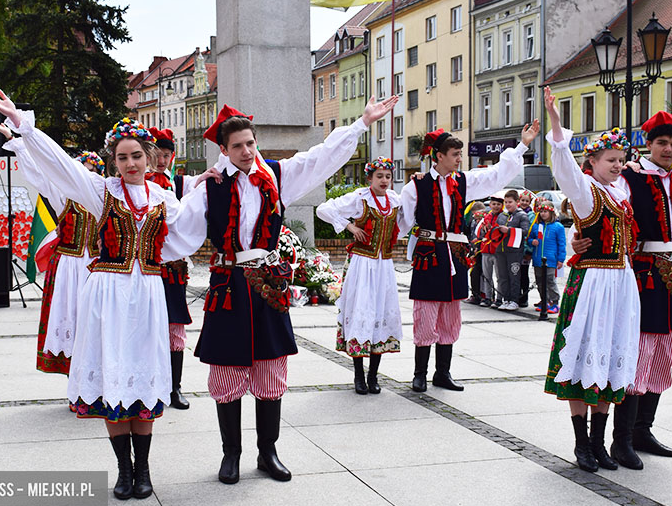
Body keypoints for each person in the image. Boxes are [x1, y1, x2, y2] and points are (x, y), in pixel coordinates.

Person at [0, 87, 210, 501]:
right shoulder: (98, 191)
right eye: (122, 157)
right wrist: (22, 124)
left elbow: (188, 233)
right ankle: (123, 470)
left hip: (146, 295)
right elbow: (57, 164)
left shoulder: (163, 197)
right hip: (106, 295)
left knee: (142, 376)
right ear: (114, 160)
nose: (129, 163)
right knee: (111, 375)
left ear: (149, 157)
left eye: (136, 156)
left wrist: (210, 186)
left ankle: (143, 468)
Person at [195, 96, 398, 485]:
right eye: (236, 146)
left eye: (250, 143)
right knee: (226, 371)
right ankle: (231, 454)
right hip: (229, 284)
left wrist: (361, 124)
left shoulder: (276, 174)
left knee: (271, 369)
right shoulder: (211, 185)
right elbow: (174, 219)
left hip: (268, 286)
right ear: (223, 149)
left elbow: (321, 157)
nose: (245, 151)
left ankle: (267, 452)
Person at [572, 110, 672, 469]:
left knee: (665, 354)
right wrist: (579, 238)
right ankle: (620, 439)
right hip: (642, 274)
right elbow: (596, 206)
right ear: (649, 144)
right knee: (638, 353)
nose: (669, 149)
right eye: (662, 143)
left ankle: (643, 429)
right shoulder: (629, 176)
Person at [400, 121, 540, 393]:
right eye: (455, 155)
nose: (459, 159)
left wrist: (522, 144)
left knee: (451, 314)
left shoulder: (463, 181)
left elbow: (497, 175)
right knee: (426, 313)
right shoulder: (415, 187)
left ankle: (443, 372)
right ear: (438, 156)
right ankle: (420, 373)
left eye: (460, 155)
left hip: (455, 253)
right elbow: (401, 222)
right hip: (430, 253)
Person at [543, 87, 641, 472]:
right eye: (610, 159)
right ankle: (582, 443)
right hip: (593, 283)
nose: (618, 165)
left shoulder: (621, 190)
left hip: (620, 283)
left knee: (609, 358)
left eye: (621, 159)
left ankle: (600, 443)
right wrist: (555, 122)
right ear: (594, 161)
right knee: (584, 355)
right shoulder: (587, 192)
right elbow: (564, 168)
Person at [0, 116, 103, 378]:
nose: (87, 175)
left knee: (94, 322)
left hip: (96, 267)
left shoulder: (102, 196)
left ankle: (93, 378)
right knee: (70, 319)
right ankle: (73, 379)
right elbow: (39, 172)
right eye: (83, 169)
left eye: (93, 171)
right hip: (69, 266)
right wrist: (15, 141)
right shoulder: (62, 195)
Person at [316, 157, 403, 395]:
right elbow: (324, 209)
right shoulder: (360, 198)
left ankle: (373, 376)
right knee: (361, 313)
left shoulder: (395, 200)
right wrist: (350, 226)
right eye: (379, 176)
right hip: (362, 264)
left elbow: (407, 222)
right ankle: (358, 376)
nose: (384, 181)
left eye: (387, 176)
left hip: (384, 265)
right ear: (369, 178)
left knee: (379, 313)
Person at [145, 127, 197, 410]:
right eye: (158, 154)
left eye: (167, 155)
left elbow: (200, 187)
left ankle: (174, 387)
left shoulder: (176, 183)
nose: (163, 160)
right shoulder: (138, 184)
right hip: (147, 266)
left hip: (173, 269)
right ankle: (148, 384)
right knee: (145, 327)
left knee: (175, 326)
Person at [528, 200, 566, 313]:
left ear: (551, 213)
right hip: (537, 258)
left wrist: (560, 259)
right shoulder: (536, 226)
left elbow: (562, 244)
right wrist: (532, 241)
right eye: (541, 212)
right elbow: (529, 239)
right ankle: (544, 300)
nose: (543, 214)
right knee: (539, 281)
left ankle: (554, 302)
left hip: (550, 259)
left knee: (550, 281)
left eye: (545, 211)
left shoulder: (558, 227)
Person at [495, 190, 529, 311]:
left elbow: (525, 231)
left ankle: (514, 300)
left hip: (514, 251)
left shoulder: (522, 215)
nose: (508, 204)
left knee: (514, 275)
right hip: (500, 250)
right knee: (503, 276)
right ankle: (506, 299)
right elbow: (496, 229)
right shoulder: (502, 215)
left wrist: (509, 230)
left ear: (517, 202)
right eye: (506, 202)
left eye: (510, 202)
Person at [479, 195, 504, 307]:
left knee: (499, 276)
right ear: (490, 205)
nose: (496, 206)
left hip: (497, 251)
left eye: (498, 204)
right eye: (494, 204)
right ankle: (488, 297)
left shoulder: (503, 217)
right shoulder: (486, 217)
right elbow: (481, 233)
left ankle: (499, 298)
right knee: (487, 275)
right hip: (486, 250)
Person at [465, 202, 487, 305]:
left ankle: (483, 295)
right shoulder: (473, 222)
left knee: (484, 274)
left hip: (482, 249)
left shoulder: (485, 222)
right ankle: (475, 294)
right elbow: (471, 234)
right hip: (474, 249)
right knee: (474, 273)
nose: (477, 219)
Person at [518, 190, 535, 307]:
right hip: (515, 248)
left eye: (526, 201)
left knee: (524, 273)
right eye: (522, 200)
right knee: (515, 273)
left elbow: (531, 232)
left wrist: (529, 250)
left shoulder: (531, 215)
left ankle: (524, 297)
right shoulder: (515, 212)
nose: (524, 203)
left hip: (525, 248)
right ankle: (516, 295)